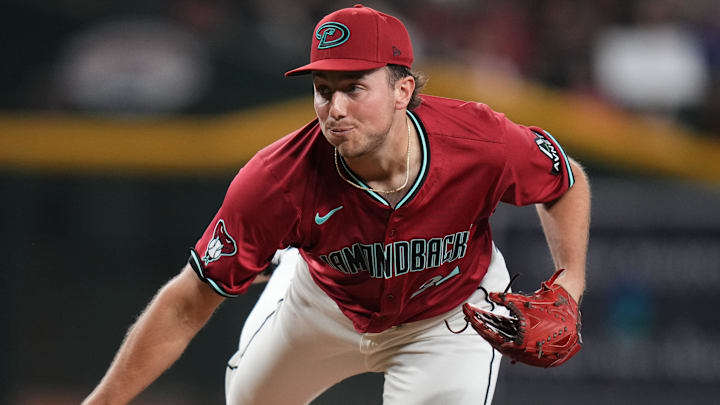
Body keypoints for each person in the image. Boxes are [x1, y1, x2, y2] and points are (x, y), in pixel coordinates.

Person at [83, 4, 590, 405]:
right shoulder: (277, 179)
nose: (335, 107)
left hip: (448, 317)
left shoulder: (481, 141)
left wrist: (570, 281)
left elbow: (565, 181)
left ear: (402, 90)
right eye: (323, 90)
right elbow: (187, 302)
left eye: (354, 87)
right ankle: (285, 260)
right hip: (321, 305)